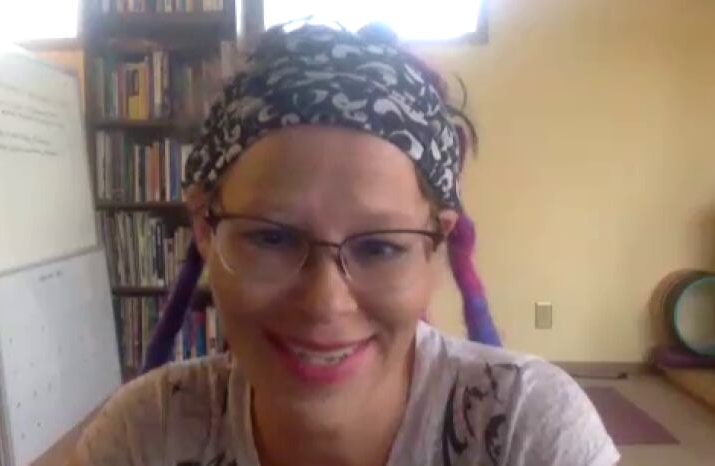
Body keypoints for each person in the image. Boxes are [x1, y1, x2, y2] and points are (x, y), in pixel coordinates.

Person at [73, 22, 619, 466]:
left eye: (379, 247)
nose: (324, 303)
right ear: (205, 231)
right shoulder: (143, 436)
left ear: (436, 246)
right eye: (271, 237)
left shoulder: (531, 431)